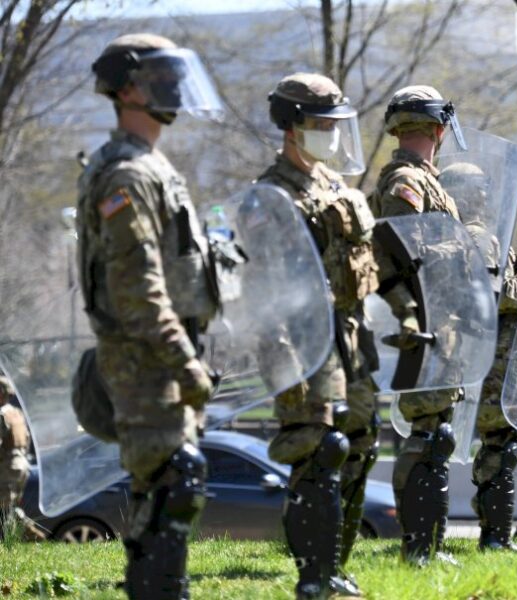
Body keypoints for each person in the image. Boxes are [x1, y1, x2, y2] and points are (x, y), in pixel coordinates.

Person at [256, 73, 415, 597]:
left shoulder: (335, 189)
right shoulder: (272, 197)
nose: (329, 133)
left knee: (362, 445)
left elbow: (366, 262)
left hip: (351, 337)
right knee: (319, 450)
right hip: (302, 341)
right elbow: (263, 287)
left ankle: (336, 566)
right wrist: (285, 364)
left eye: (334, 124)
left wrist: (404, 310)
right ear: (292, 126)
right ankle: (312, 576)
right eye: (320, 124)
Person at [77, 33, 223, 598]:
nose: (175, 88)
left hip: (160, 358)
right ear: (127, 89)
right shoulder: (128, 175)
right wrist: (186, 364)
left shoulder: (149, 165)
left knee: (163, 491)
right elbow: (138, 290)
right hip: (145, 362)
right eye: (160, 76)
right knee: (173, 481)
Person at [368, 84, 462, 564]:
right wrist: (462, 250)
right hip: (419, 320)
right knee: (427, 435)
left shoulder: (429, 181)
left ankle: (432, 545)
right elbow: (404, 247)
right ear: (438, 129)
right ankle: (418, 547)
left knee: (437, 432)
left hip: (440, 319)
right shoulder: (405, 180)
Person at [439, 163, 517, 552]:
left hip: (490, 356)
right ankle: (495, 537)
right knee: (500, 446)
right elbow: (490, 297)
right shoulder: (476, 236)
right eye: (478, 189)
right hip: (490, 359)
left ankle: (496, 534)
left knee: (500, 446)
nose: (486, 196)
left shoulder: (467, 235)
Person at [0, 377, 30, 538]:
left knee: (3, 510)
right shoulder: (16, 413)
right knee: (10, 507)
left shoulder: (1, 415)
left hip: (6, 468)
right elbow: (26, 438)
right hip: (22, 466)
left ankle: (7, 542)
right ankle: (24, 531)